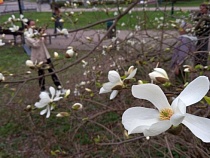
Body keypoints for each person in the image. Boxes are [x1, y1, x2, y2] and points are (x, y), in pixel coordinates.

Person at [24, 19, 63, 92]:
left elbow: (44, 42)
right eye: (32, 25)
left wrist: (44, 35)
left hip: (45, 54)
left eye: (34, 24)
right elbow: (36, 44)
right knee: (41, 74)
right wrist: (41, 35)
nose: (34, 26)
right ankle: (43, 90)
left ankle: (59, 87)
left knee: (52, 71)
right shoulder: (27, 35)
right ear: (28, 26)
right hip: (38, 57)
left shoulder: (36, 32)